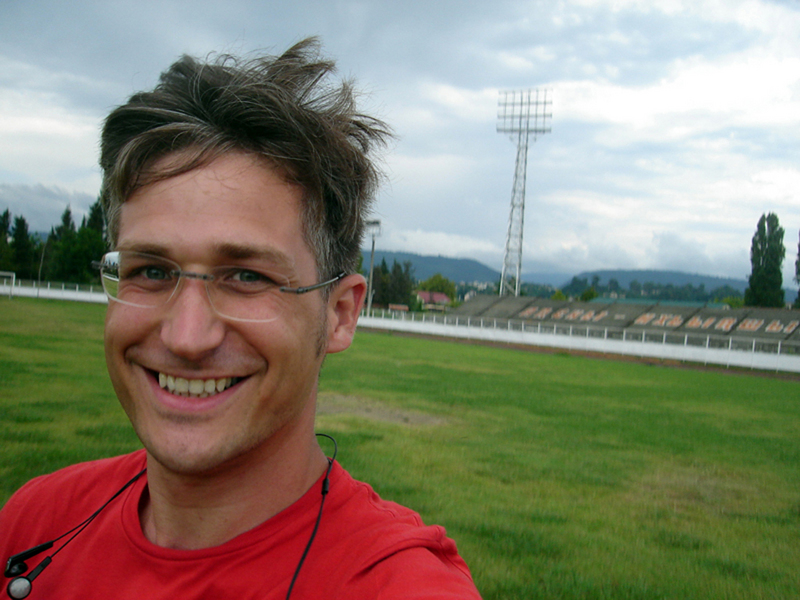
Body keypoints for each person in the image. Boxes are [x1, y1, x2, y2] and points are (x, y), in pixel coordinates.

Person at [0, 39, 481, 599]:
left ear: (340, 313)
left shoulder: (394, 586)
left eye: (247, 277)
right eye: (151, 270)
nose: (186, 337)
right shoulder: (37, 520)